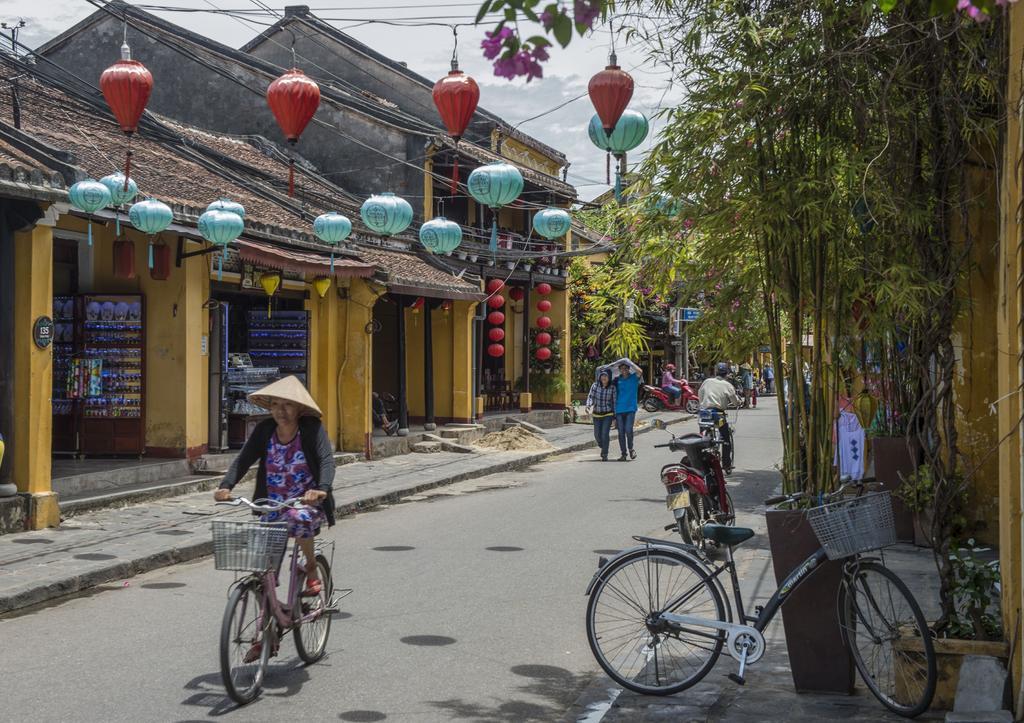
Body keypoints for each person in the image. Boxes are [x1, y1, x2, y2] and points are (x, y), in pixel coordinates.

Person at [214, 375, 336, 600]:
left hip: (306, 503)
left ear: (299, 408)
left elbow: (326, 459)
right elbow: (244, 459)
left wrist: (322, 489)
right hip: (272, 504)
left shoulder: (311, 429)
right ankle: (269, 615)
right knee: (264, 564)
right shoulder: (265, 430)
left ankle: (310, 566)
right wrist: (226, 486)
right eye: (275, 404)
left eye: (288, 404)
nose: (281, 411)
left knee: (297, 517)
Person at [698, 362, 741, 472]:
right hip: (718, 415)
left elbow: (700, 394)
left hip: (704, 413)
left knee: (701, 438)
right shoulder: (728, 385)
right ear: (726, 374)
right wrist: (738, 403)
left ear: (716, 372)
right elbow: (735, 401)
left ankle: (699, 462)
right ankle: (726, 464)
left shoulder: (707, 381)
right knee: (726, 439)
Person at [586, 368, 617, 461]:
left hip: (608, 413)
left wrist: (615, 417)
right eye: (602, 375)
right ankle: (603, 445)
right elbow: (591, 396)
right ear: (599, 377)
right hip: (597, 413)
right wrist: (588, 405)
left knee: (605, 434)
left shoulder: (612, 387)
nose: (604, 377)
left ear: (609, 377)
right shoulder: (595, 385)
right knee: (597, 435)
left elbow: (615, 402)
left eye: (606, 376)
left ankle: (604, 453)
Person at [613, 361, 641, 461]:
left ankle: (631, 449)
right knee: (621, 432)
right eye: (622, 368)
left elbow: (640, 371)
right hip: (619, 408)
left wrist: (628, 362)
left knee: (628, 430)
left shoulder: (634, 378)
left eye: (626, 368)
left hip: (630, 408)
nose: (624, 370)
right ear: (619, 370)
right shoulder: (617, 380)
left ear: (629, 369)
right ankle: (623, 454)